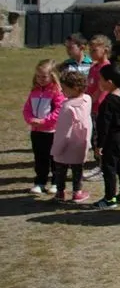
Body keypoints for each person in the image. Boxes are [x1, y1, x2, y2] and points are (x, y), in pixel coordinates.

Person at [93, 64, 120, 209]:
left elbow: (104, 125)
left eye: (101, 79)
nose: (99, 82)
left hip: (111, 139)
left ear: (109, 82)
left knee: (109, 168)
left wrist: (100, 144)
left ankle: (109, 198)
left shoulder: (108, 102)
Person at [23, 60, 65, 195]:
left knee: (54, 158)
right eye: (38, 76)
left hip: (52, 132)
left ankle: (56, 182)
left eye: (44, 76)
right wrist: (31, 120)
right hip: (36, 132)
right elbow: (27, 108)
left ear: (52, 76)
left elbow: (59, 110)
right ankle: (40, 182)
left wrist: (44, 122)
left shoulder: (56, 92)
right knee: (40, 158)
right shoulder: (34, 91)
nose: (40, 79)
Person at [50, 71, 93, 203]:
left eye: (64, 88)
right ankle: (77, 192)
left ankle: (60, 192)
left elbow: (64, 131)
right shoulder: (87, 99)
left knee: (61, 169)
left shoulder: (67, 107)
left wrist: (56, 148)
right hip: (81, 142)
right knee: (77, 169)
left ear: (74, 88)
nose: (62, 91)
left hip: (67, 144)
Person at [83, 35, 112, 182]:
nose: (91, 53)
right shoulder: (93, 67)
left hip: (100, 108)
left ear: (105, 50)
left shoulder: (106, 68)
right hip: (91, 107)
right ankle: (99, 164)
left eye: (94, 50)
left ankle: (104, 168)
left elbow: (102, 90)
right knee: (95, 138)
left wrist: (91, 103)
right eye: (90, 50)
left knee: (101, 138)